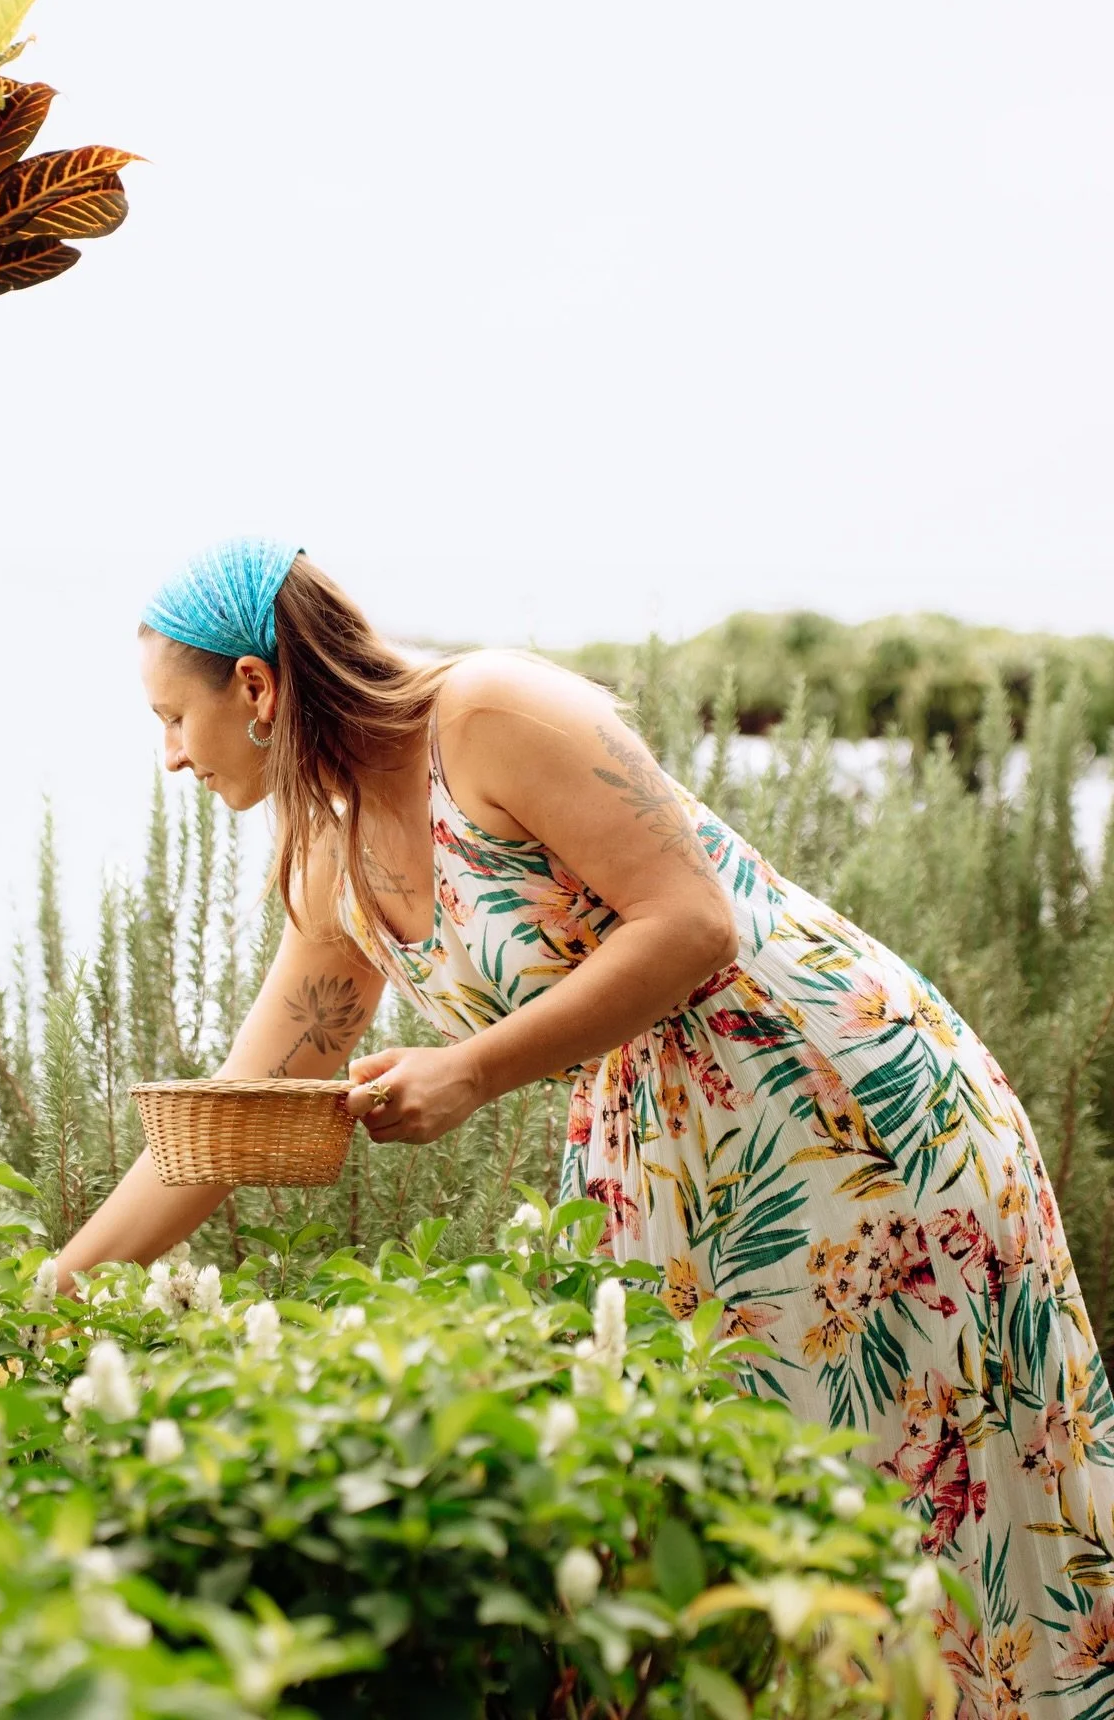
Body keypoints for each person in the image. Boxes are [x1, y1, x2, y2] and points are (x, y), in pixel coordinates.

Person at [58, 535, 1114, 1720]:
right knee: (743, 1569)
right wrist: (50, 1288)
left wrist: (466, 1071)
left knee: (926, 1521)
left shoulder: (495, 712)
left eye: (171, 719)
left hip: (845, 1123)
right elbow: (231, 1124)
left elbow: (697, 925)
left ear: (254, 687)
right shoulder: (329, 861)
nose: (166, 758)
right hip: (677, 1185)